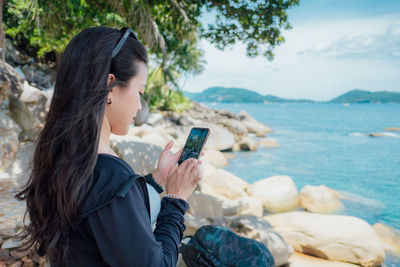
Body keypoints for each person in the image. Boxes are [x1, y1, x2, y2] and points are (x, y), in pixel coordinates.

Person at [14, 26, 202, 266]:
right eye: (140, 91)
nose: (139, 105)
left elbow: (103, 214)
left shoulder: (64, 160)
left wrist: (156, 180)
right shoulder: (112, 179)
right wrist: (176, 199)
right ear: (109, 86)